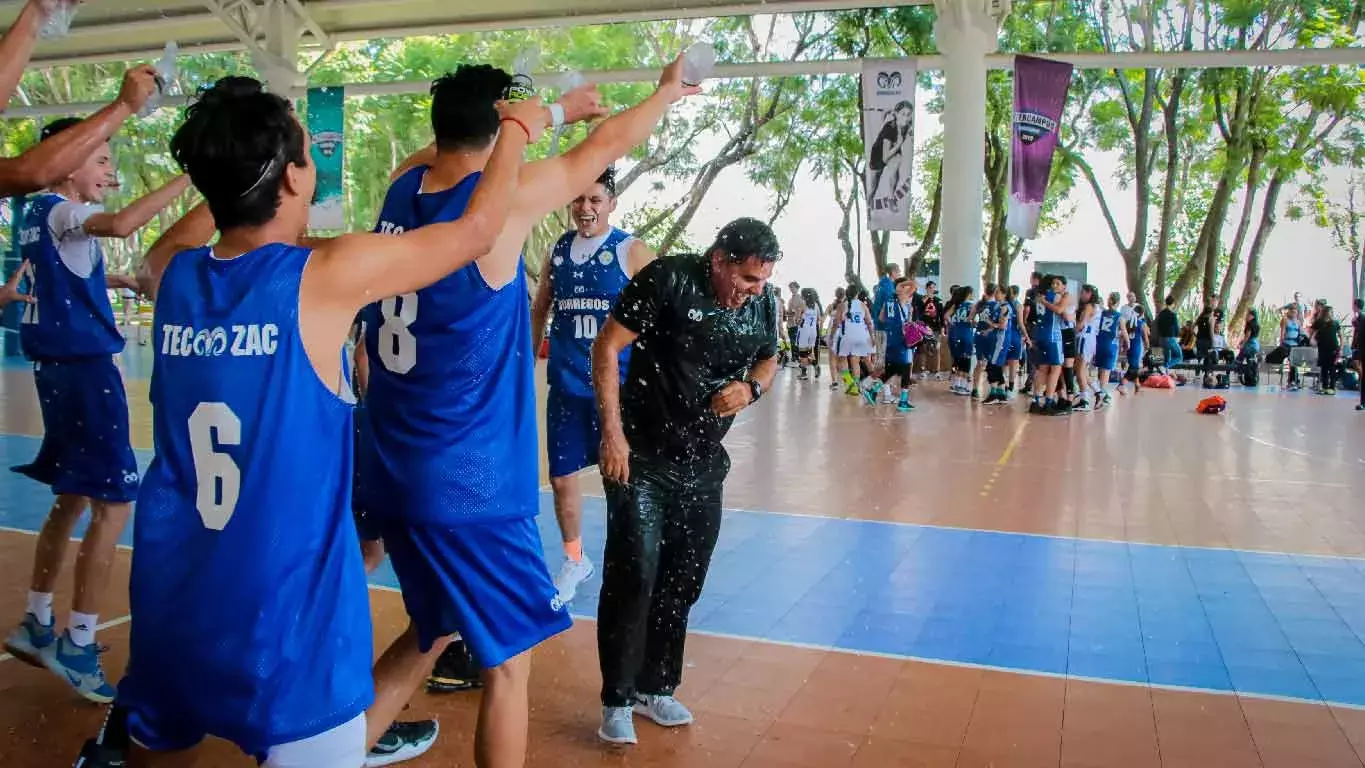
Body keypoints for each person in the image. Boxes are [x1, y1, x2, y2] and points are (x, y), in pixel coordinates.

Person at [75, 77, 544, 768]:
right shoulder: (324, 274)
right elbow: (476, 231)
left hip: (173, 603)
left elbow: (173, 243)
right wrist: (519, 127)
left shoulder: (171, 276)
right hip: (285, 627)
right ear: (295, 173)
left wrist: (228, 163)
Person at [359, 58, 696, 767]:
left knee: (434, 627)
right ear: (504, 127)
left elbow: (462, 140)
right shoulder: (498, 205)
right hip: (467, 483)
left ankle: (332, 751)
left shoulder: (401, 190)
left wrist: (539, 111)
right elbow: (601, 151)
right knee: (508, 665)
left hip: (390, 464)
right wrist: (663, 91)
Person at [3, 116, 190, 702]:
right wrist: (191, 177)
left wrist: (120, 282)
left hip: (53, 372)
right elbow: (124, 222)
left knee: (71, 498)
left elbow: (69, 268)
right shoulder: (65, 209)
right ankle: (78, 640)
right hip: (87, 374)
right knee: (114, 506)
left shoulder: (31, 216)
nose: (110, 168)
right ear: (65, 163)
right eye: (100, 158)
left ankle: (36, 620)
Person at [591, 217, 781, 745]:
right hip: (642, 459)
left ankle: (657, 686)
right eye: (747, 279)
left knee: (683, 579)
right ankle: (617, 699)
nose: (755, 291)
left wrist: (751, 389)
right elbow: (606, 348)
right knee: (636, 573)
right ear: (719, 260)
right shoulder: (668, 280)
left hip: (703, 463)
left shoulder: (763, 305)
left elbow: (770, 358)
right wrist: (612, 436)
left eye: (762, 281)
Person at [530, 166, 655, 605]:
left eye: (595, 200)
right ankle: (574, 559)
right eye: (579, 200)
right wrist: (526, 361)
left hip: (617, 391)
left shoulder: (632, 250)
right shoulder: (558, 252)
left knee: (619, 479)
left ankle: (631, 563)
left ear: (611, 204)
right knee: (562, 478)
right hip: (566, 384)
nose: (585, 208)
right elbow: (540, 309)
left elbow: (663, 315)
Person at [0, 1, 161, 198]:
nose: (110, 170)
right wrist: (124, 105)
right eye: (101, 161)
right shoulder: (60, 212)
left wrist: (38, 11)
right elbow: (28, 174)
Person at [1156, 295, 1181, 366]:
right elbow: (1176, 328)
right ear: (1173, 303)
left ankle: (1164, 373)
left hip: (1161, 338)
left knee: (1165, 358)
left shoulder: (1161, 314)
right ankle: (1165, 367)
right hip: (1170, 338)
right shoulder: (1173, 315)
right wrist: (1177, 337)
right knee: (1179, 356)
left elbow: (1159, 326)